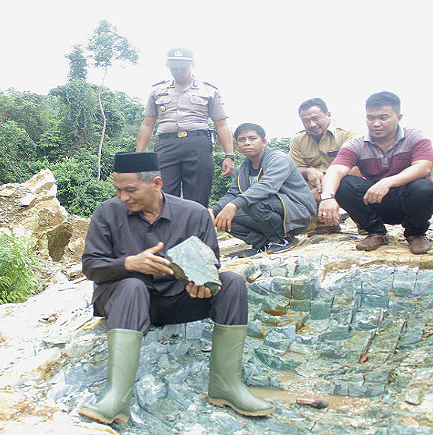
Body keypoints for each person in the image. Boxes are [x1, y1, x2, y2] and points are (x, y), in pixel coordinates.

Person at [78, 152, 274, 425]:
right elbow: (91, 267)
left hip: (176, 301)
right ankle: (116, 397)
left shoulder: (194, 214)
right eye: (118, 190)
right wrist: (130, 263)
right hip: (124, 301)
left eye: (130, 190)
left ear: (157, 183)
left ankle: (226, 386)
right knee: (133, 285)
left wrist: (201, 285)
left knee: (232, 283)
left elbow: (211, 266)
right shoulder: (107, 212)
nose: (123, 197)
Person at [318, 91, 433, 254]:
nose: (376, 123)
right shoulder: (356, 144)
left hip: (410, 201)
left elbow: (423, 167)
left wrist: (387, 182)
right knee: (343, 183)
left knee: (425, 187)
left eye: (383, 117)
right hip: (376, 200)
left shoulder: (415, 137)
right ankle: (376, 232)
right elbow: (336, 169)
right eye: (370, 117)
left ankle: (415, 234)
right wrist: (327, 197)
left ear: (399, 117)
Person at [136, 48, 235, 207]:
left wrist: (229, 155)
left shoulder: (209, 90)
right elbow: (148, 124)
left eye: (182, 67)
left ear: (192, 65)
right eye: (173, 66)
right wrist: (138, 155)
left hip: (198, 145)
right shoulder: (157, 90)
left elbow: (221, 124)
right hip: (166, 146)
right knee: (161, 197)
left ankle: (195, 232)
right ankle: (165, 232)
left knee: (198, 199)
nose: (177, 70)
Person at [209, 123, 316, 255]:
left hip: (298, 211)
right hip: (268, 211)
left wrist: (234, 204)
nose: (247, 143)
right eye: (242, 140)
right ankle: (262, 244)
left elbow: (268, 186)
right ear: (237, 145)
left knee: (250, 202)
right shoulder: (242, 169)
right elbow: (233, 193)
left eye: (252, 138)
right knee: (222, 216)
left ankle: (282, 240)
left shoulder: (279, 159)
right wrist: (212, 210)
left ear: (264, 142)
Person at [289, 98, 356, 234]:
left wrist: (325, 189)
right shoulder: (297, 140)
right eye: (306, 121)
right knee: (290, 181)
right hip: (314, 186)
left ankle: (365, 224)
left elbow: (356, 168)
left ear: (328, 115)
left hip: (343, 181)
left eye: (316, 118)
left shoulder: (346, 134)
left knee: (353, 179)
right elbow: (294, 168)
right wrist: (308, 171)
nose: (311, 124)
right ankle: (322, 224)